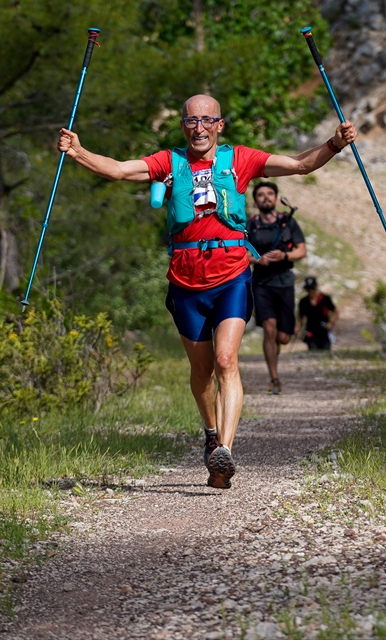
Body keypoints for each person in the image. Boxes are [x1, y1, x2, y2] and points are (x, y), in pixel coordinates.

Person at [56, 94, 356, 489]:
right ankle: (211, 432)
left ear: (220, 125)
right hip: (185, 281)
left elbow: (299, 164)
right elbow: (118, 170)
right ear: (183, 126)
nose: (198, 127)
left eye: (206, 120)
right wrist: (77, 152)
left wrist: (334, 144)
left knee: (226, 359)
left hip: (232, 274)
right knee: (202, 372)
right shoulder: (169, 162)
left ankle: (224, 454)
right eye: (191, 121)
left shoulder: (242, 159)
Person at [246, 182, 306, 395]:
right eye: (261, 195)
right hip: (261, 283)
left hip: (285, 283)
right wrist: (256, 260)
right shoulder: (250, 225)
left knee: (283, 337)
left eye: (270, 194)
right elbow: (239, 253)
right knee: (269, 329)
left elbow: (301, 250)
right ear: (255, 201)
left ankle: (274, 353)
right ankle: (274, 378)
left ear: (276, 197)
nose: (266, 198)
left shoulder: (288, 223)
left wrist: (284, 256)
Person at [298, 276, 337, 351]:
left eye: (312, 288)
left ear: (316, 287)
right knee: (313, 351)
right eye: (308, 289)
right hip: (311, 332)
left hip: (324, 332)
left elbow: (335, 312)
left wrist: (331, 322)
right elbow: (300, 317)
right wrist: (297, 328)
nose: (310, 291)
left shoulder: (325, 299)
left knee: (325, 351)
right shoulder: (303, 302)